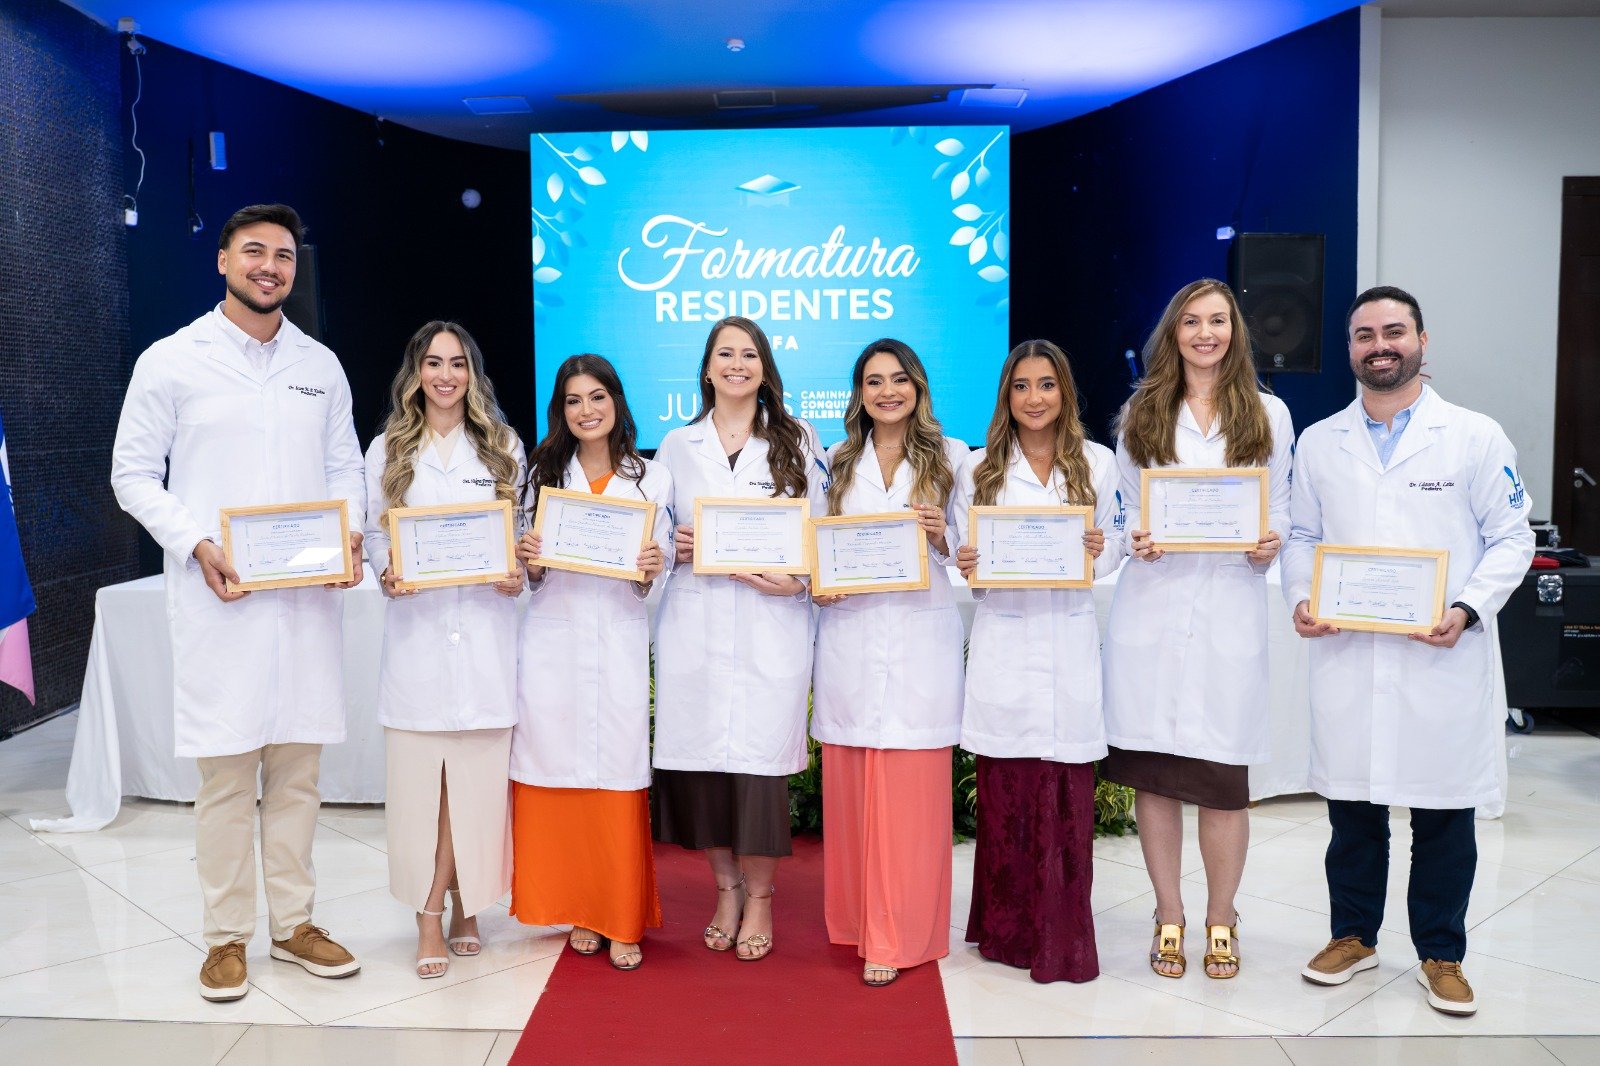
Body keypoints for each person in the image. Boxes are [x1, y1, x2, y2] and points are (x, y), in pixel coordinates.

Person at [110, 204, 365, 1001]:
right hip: (220, 599)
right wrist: (195, 543)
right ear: (223, 260)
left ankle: (295, 925)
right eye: (254, 251)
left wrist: (349, 535)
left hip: (304, 605)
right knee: (225, 779)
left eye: (284, 256)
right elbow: (132, 474)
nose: (269, 266)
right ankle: (225, 937)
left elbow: (345, 467)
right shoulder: (171, 360)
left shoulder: (319, 365)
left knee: (296, 776)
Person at [1283, 286, 1532, 1016]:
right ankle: (1353, 936)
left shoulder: (1475, 436)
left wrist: (1467, 608)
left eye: (1394, 332)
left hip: (1439, 654)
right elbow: (1302, 537)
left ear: (1423, 341)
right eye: (1365, 335)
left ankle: (1441, 953)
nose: (1380, 346)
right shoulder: (1321, 440)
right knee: (1352, 811)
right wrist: (1302, 596)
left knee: (1443, 814)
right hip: (1351, 652)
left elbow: (1512, 537)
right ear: (1350, 349)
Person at [1100, 278, 1294, 980]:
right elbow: (1125, 511)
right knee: (1154, 778)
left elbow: (1282, 508)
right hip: (1153, 608)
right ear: (1172, 333)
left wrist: (1269, 543)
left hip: (1227, 613)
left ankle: (1221, 916)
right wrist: (1136, 538)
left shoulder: (1268, 414)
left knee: (1221, 779)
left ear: (1235, 330)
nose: (1205, 333)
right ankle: (1168, 914)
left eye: (1217, 320)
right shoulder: (1142, 411)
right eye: (1191, 321)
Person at [651, 316, 829, 962]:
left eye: (748, 354)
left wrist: (797, 579)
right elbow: (653, 533)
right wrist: (672, 547)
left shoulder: (797, 438)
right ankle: (725, 890)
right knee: (705, 773)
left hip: (767, 624)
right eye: (724, 354)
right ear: (706, 368)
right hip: (695, 626)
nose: (736, 364)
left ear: (764, 367)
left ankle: (761, 898)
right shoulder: (677, 445)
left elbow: (819, 530)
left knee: (757, 777)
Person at [955, 339, 1126, 984]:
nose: (1034, 398)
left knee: (1064, 799)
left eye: (1047, 385)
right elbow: (963, 553)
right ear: (1006, 395)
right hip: (1004, 643)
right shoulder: (979, 468)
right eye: (1022, 386)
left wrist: (1100, 549)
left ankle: (1062, 935)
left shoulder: (1098, 462)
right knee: (1008, 796)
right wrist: (968, 562)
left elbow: (1115, 548)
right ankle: (1006, 932)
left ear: (1065, 392)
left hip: (1067, 643)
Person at [363, 321, 524, 979]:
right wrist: (387, 572)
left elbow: (522, 533)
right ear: (416, 373)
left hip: (484, 640)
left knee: (474, 793)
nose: (446, 375)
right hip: (418, 644)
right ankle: (432, 910)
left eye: (458, 364)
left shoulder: (503, 447)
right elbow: (375, 534)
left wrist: (516, 571)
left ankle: (463, 905)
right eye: (434, 363)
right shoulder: (387, 448)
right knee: (421, 795)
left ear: (473, 374)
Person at [811, 338, 966, 987]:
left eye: (899, 379)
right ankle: (858, 924)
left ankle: (902, 933)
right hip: (851, 638)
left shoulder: (954, 456)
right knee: (854, 794)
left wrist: (942, 535)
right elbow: (813, 545)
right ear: (859, 394)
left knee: (910, 800)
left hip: (918, 641)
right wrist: (820, 583)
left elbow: (970, 549)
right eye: (873, 382)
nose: (887, 392)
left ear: (918, 386)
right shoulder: (836, 461)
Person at [510, 354, 671, 972]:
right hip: (555, 643)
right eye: (573, 400)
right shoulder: (541, 475)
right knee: (561, 775)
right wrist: (529, 558)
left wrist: (651, 569)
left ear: (617, 402)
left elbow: (654, 573)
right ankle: (580, 907)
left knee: (618, 779)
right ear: (561, 410)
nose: (587, 410)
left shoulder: (651, 479)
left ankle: (620, 915)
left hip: (618, 641)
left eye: (597, 397)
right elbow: (531, 575)